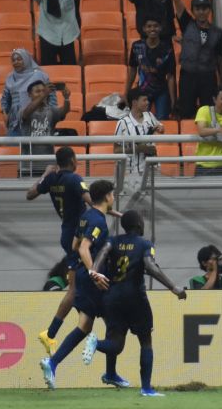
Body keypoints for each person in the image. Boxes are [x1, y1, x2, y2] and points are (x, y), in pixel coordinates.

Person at [85, 210, 185, 397]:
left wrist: (94, 275)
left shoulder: (113, 241)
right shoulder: (145, 244)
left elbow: (101, 255)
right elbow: (149, 266)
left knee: (115, 344)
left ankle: (95, 343)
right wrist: (173, 287)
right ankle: (146, 388)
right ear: (139, 224)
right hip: (135, 298)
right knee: (145, 342)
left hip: (112, 296)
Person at [39, 179, 116, 390]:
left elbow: (74, 244)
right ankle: (110, 373)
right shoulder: (98, 221)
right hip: (93, 279)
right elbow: (83, 248)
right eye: (113, 194)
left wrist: (84, 269)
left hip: (81, 275)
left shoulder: (86, 216)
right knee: (112, 325)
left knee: (85, 326)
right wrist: (95, 273)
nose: (114, 198)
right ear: (108, 196)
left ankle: (53, 363)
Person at [26, 147, 88, 356]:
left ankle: (53, 332)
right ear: (72, 160)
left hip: (67, 234)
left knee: (76, 286)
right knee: (78, 287)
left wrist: (45, 175)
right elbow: (90, 200)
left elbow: (30, 194)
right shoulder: (74, 178)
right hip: (77, 239)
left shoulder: (52, 178)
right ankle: (64, 330)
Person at [169, 0, 222, 116]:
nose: (201, 11)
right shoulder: (187, 24)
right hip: (188, 76)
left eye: (205, 8)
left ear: (210, 10)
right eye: (198, 9)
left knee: (209, 113)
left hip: (208, 77)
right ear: (193, 11)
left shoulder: (218, 33)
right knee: (186, 112)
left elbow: (220, 60)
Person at [2, 49, 53, 136]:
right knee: (14, 149)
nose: (16, 62)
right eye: (13, 60)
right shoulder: (10, 77)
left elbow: (51, 96)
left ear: (26, 59)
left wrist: (51, 115)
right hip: (16, 122)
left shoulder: (40, 75)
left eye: (19, 59)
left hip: (38, 119)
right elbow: (5, 99)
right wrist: (5, 113)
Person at [113, 88, 163, 176]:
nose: (148, 102)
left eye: (147, 100)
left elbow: (161, 128)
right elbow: (116, 150)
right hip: (132, 172)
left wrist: (160, 128)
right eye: (144, 100)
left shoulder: (150, 115)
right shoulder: (122, 123)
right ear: (134, 102)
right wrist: (138, 149)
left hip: (152, 169)